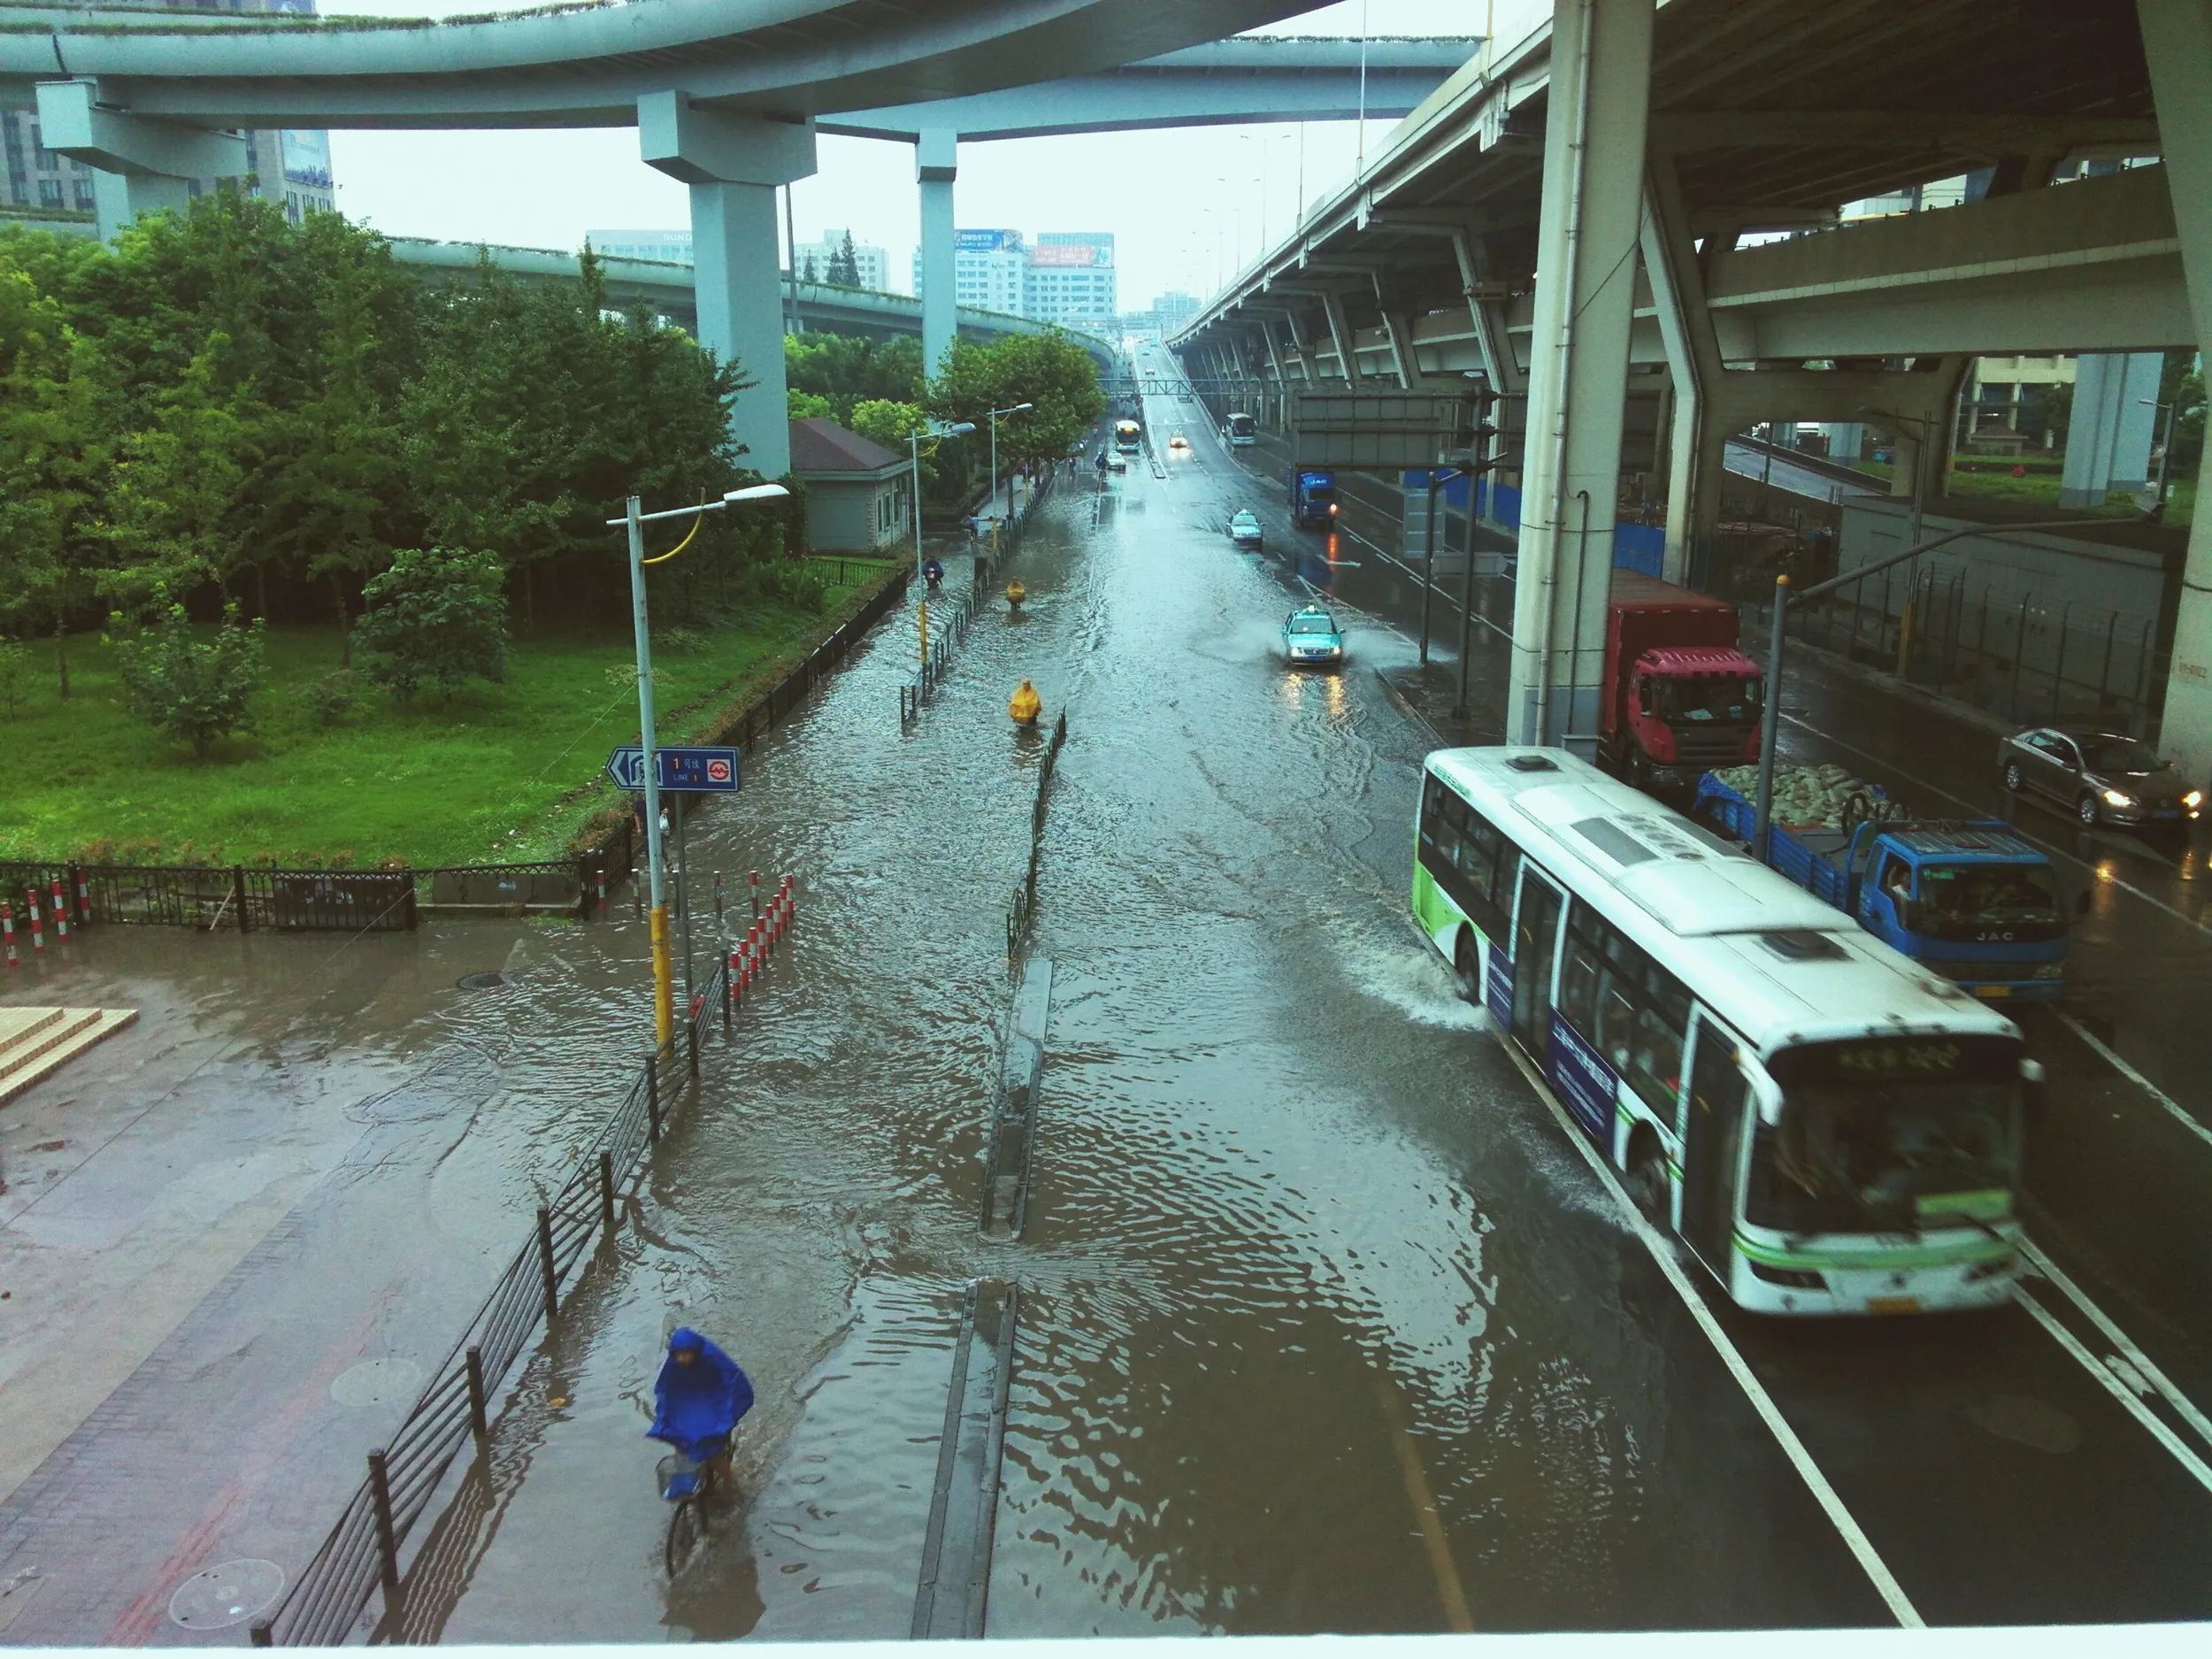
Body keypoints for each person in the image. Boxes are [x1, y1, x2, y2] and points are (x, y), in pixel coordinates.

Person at [649, 1328, 754, 1493]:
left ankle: (730, 1482)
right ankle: (685, 1481)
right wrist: (664, 1418)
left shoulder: (712, 1358)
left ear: (695, 1351)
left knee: (712, 1452)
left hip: (714, 1400)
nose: (682, 1359)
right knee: (680, 1441)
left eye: (686, 1354)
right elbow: (665, 1391)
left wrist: (727, 1418)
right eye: (679, 1355)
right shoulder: (672, 1364)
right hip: (689, 1401)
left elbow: (734, 1384)